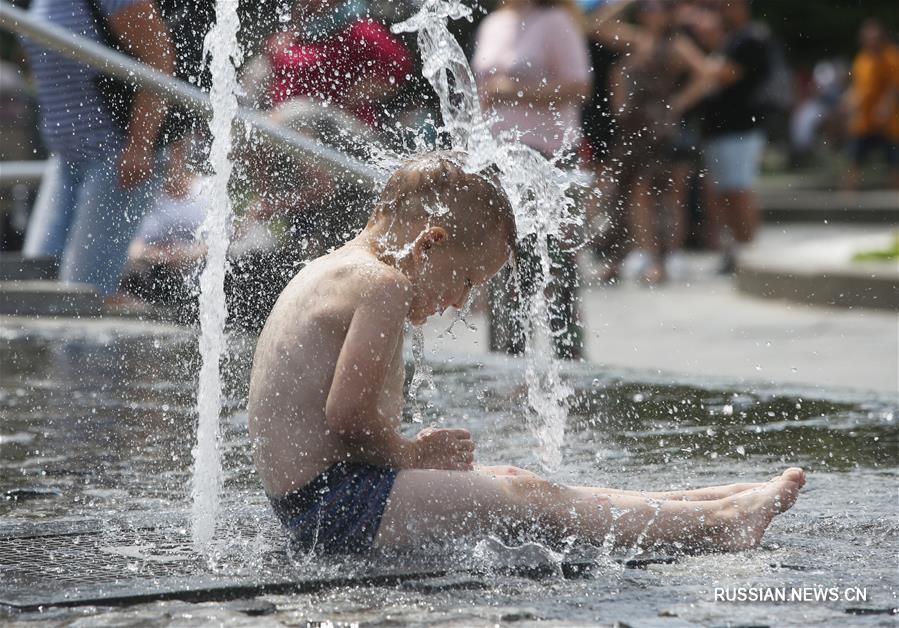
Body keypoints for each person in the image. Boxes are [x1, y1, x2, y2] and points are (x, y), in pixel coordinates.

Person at [247, 151, 805, 557]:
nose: (462, 301)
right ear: (432, 241)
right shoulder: (382, 285)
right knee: (526, 499)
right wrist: (412, 452)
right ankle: (718, 524)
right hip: (338, 509)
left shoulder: (337, 268)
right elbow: (346, 419)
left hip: (320, 501)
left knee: (521, 482)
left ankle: (704, 502)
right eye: (467, 280)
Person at [19, 0, 176, 302]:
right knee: (35, 291)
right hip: (66, 158)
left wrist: (140, 146)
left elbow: (159, 57)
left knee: (81, 296)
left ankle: (84, 350)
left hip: (114, 158)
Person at [472, 0, 592, 359]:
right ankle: (505, 367)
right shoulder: (493, 22)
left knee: (555, 268)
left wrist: (517, 91)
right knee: (503, 268)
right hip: (499, 158)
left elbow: (579, 87)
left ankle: (568, 367)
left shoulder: (555, 21)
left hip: (547, 159)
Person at [698, 0, 772, 272]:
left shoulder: (751, 38)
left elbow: (726, 74)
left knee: (740, 190)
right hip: (720, 130)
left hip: (741, 128)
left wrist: (692, 59)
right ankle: (735, 248)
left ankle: (748, 249)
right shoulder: (729, 40)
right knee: (723, 193)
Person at [843, 19, 899, 190]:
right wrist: (848, 102)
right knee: (853, 161)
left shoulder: (891, 57)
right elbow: (858, 87)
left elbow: (895, 86)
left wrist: (886, 106)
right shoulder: (861, 60)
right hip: (864, 121)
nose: (870, 42)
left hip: (888, 122)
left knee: (894, 163)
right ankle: (845, 204)